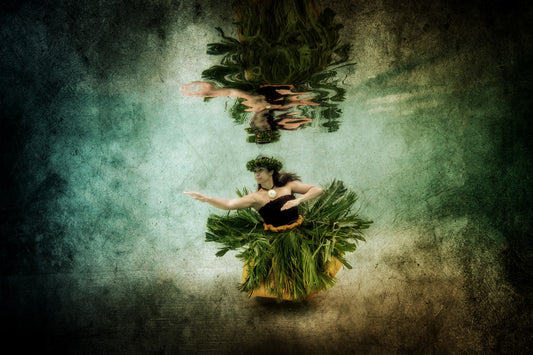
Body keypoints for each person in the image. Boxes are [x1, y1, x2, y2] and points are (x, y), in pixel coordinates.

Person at [184, 156, 371, 301]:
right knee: (278, 272)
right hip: (275, 238)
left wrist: (297, 200)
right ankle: (283, 296)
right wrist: (207, 199)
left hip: (300, 232)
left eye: (260, 170)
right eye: (254, 172)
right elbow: (229, 203)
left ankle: (303, 292)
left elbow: (317, 190)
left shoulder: (288, 186)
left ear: (271, 171)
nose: (257, 175)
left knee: (307, 265)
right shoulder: (256, 197)